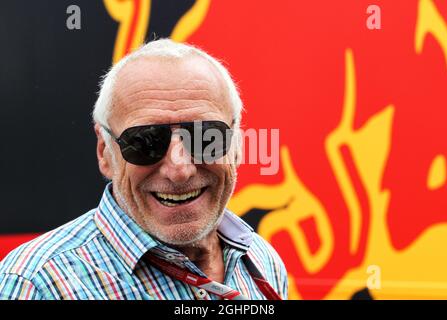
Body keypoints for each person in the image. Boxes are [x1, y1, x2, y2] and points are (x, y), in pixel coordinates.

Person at [0, 39, 288, 300]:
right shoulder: (37, 286)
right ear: (105, 152)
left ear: (236, 144)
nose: (180, 170)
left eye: (205, 137)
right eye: (145, 141)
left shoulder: (262, 261)